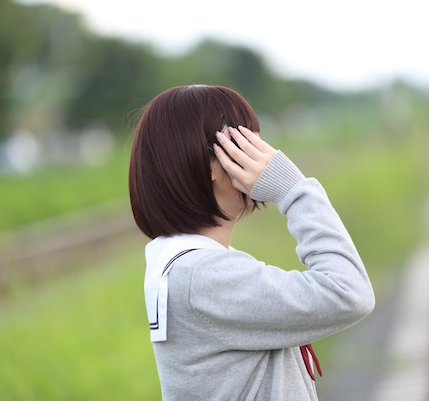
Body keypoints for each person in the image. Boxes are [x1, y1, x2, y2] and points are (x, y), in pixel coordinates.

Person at [128, 84, 374, 401]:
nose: (263, 155)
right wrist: (293, 189)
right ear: (211, 165)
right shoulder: (202, 277)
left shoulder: (189, 268)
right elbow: (349, 293)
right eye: (243, 142)